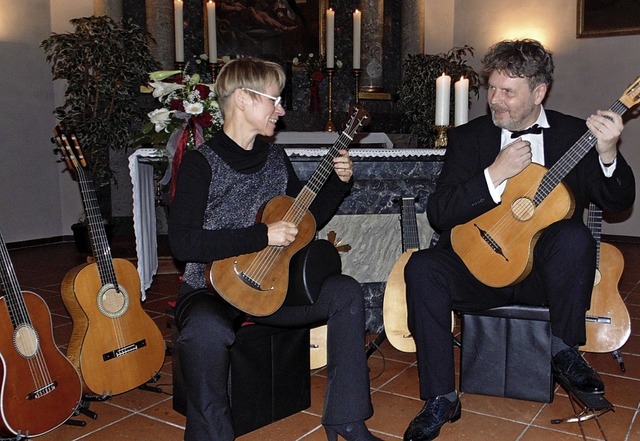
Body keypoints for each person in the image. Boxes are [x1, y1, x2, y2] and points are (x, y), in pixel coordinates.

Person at [402, 39, 636, 441]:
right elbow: (439, 213)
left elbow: (619, 200)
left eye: (508, 91)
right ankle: (441, 396)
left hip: (544, 278)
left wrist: (609, 152)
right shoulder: (469, 138)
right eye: (492, 88)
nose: (495, 100)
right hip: (478, 270)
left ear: (539, 92)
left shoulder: (573, 134)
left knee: (573, 236)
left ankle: (563, 348)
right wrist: (493, 175)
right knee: (422, 267)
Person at [168, 57, 381, 441]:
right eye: (274, 99)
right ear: (243, 99)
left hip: (272, 286)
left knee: (346, 291)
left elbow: (302, 219)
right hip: (210, 288)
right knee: (204, 332)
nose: (281, 110)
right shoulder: (201, 164)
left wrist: (337, 182)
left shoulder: (274, 158)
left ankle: (345, 417)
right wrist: (260, 236)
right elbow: (183, 242)